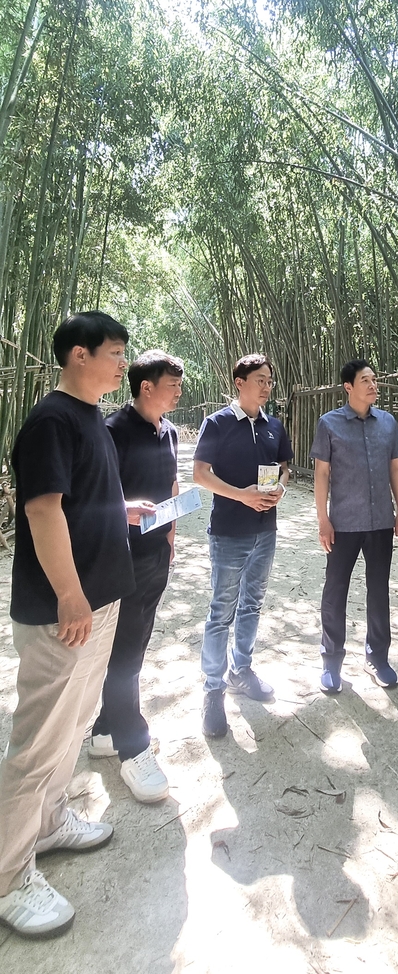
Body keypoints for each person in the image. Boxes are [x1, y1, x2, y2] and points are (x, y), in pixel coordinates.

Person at [0, 312, 153, 939]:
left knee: (71, 732)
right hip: (65, 611)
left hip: (100, 602)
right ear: (79, 355)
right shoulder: (51, 419)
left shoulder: (90, 417)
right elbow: (41, 508)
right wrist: (68, 592)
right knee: (37, 745)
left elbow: (80, 498)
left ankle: (53, 821)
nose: (123, 363)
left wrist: (124, 507)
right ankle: (9, 875)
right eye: (115, 352)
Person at [87, 350, 184, 803]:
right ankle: (133, 747)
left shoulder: (167, 431)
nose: (179, 390)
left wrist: (171, 534)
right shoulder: (112, 431)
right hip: (120, 558)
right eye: (172, 383)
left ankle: (107, 730)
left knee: (135, 644)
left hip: (155, 555)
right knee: (123, 650)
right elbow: (89, 499)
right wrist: (123, 516)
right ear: (146, 386)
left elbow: (169, 486)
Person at [194, 354, 293, 738]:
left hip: (265, 530)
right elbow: (200, 474)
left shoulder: (273, 425)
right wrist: (241, 495)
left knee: (252, 604)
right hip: (229, 532)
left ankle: (242, 670)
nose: (267, 386)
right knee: (222, 611)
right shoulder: (217, 423)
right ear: (240, 382)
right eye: (260, 379)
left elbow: (284, 465)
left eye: (270, 380)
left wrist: (281, 486)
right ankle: (213, 690)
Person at [310, 359, 398, 694]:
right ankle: (331, 661)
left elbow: (396, 469)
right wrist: (323, 518)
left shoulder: (388, 423)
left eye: (374, 379)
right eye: (365, 380)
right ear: (348, 387)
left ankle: (378, 657)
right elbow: (321, 474)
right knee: (335, 590)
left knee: (378, 590)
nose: (373, 384)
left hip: (380, 520)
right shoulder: (329, 424)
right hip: (344, 523)